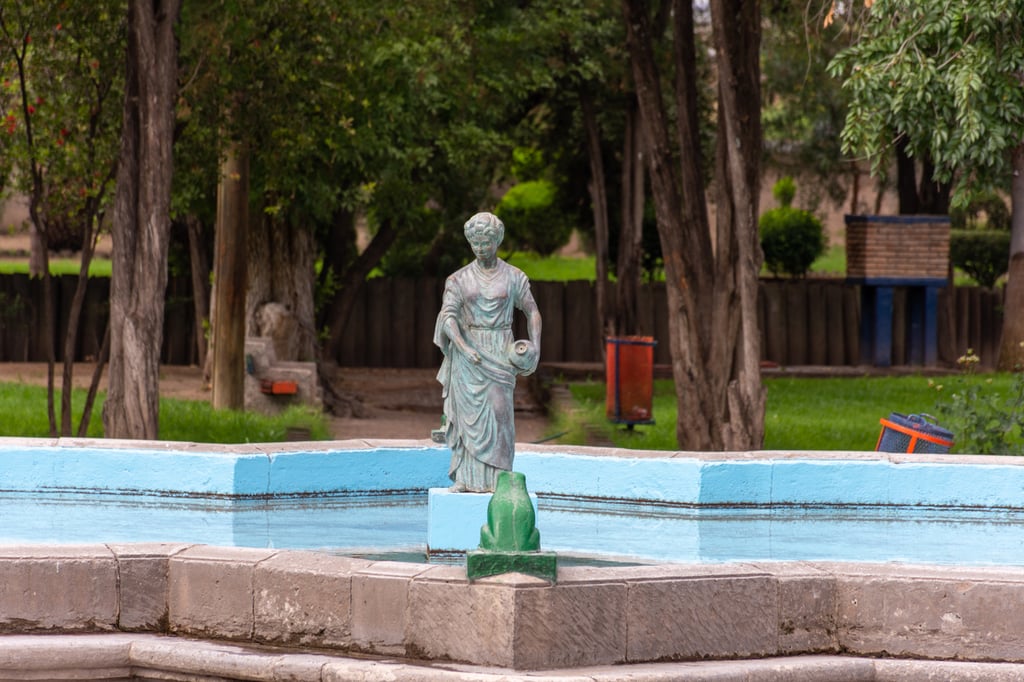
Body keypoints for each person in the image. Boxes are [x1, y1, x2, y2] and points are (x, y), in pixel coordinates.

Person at [434, 212, 542, 492]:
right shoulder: (458, 279)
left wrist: (536, 346)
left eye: (486, 242)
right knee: (466, 417)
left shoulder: (514, 276)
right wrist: (463, 346)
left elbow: (532, 311)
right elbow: (447, 317)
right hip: (468, 353)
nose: (481, 248)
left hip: (499, 350)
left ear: (497, 240)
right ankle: (466, 478)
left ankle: (501, 478)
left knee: (500, 414)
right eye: (476, 243)